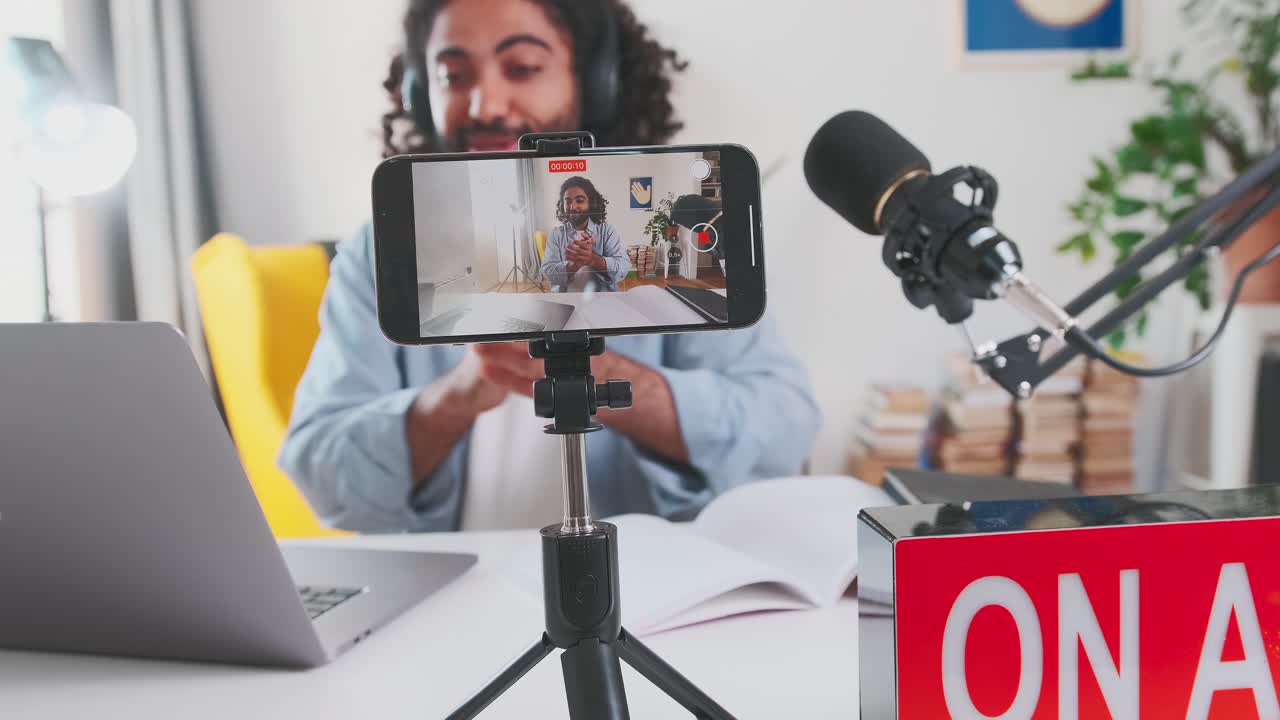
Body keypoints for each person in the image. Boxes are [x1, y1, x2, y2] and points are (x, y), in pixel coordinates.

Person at [279, 0, 820, 533]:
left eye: (523, 68)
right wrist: (460, 396)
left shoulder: (667, 226)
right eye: (453, 75)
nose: (483, 104)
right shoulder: (377, 253)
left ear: (595, 80)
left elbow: (783, 429)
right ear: (423, 94)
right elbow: (317, 471)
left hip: (650, 591)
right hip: (458, 597)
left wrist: (605, 376)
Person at [540, 176, 628, 292]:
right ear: (562, 205)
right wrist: (573, 266)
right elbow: (547, 271)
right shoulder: (556, 234)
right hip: (566, 298)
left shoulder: (607, 231)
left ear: (591, 203)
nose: (573, 206)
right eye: (568, 201)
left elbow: (623, 269)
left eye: (579, 200)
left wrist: (593, 259)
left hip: (602, 298)